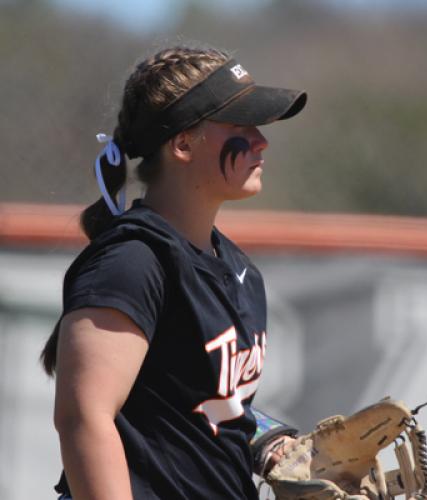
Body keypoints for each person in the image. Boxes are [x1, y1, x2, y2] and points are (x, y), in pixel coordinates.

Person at [41, 44, 307, 500]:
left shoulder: (239, 270)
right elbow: (83, 417)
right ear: (183, 143)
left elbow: (195, 404)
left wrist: (267, 442)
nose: (261, 140)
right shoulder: (133, 261)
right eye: (240, 124)